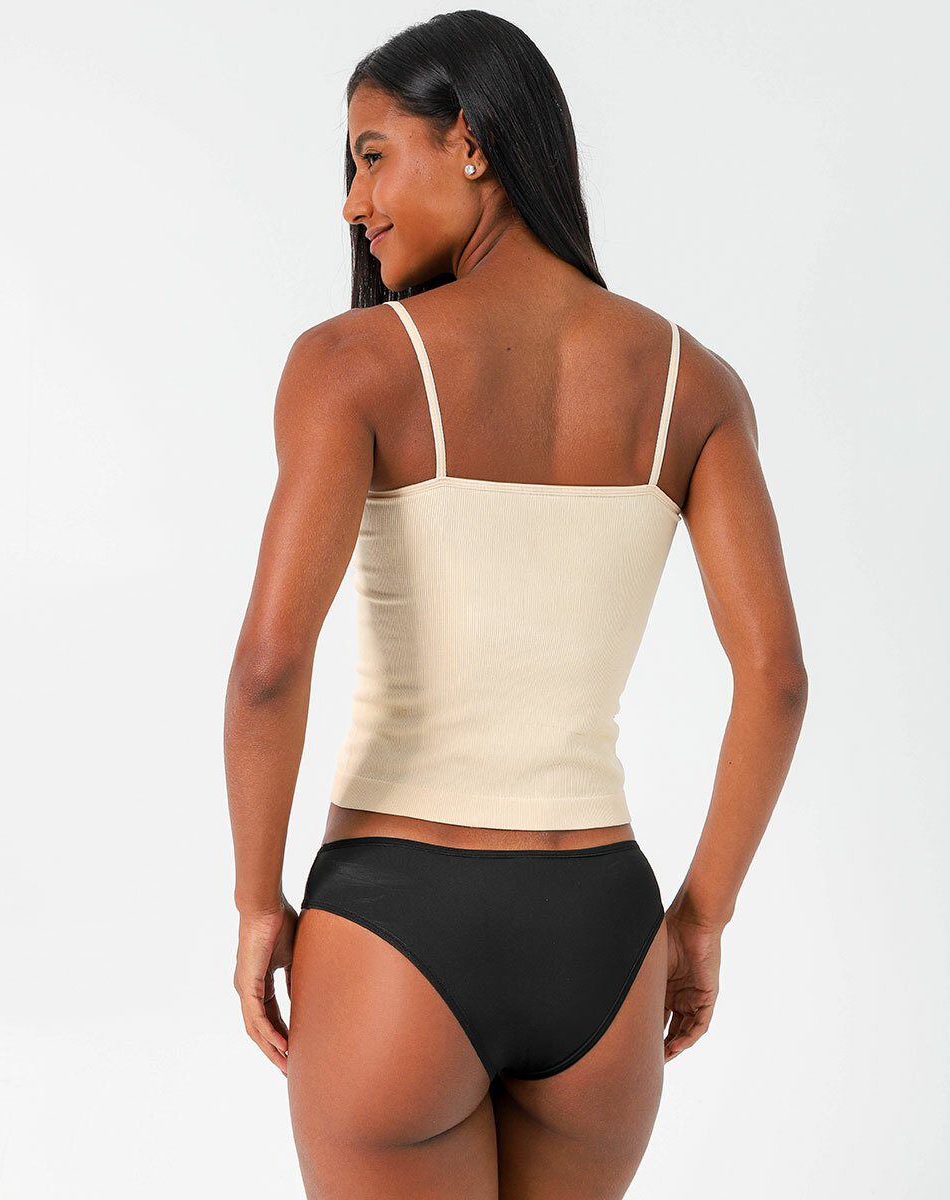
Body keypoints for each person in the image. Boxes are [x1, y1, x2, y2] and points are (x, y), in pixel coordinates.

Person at [224, 11, 808, 1198]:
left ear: (472, 142)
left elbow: (271, 666)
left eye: (373, 155)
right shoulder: (694, 385)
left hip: (396, 919)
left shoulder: (353, 364)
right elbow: (777, 680)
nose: (353, 202)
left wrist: (254, 904)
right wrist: (700, 919)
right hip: (601, 931)